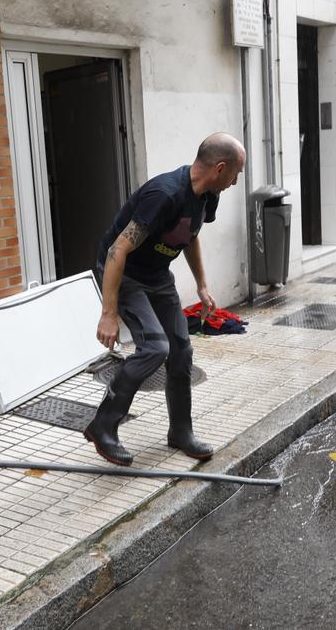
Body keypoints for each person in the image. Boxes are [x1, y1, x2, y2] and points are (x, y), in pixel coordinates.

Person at [86, 133, 246, 466]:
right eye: (237, 172)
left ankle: (181, 432)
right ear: (220, 168)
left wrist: (202, 285)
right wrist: (109, 312)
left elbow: (190, 236)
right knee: (155, 348)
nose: (237, 179)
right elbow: (118, 249)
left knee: (181, 349)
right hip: (124, 272)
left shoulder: (207, 196)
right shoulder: (164, 195)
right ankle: (103, 426)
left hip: (157, 276)